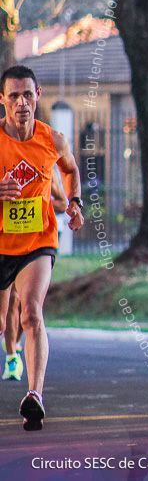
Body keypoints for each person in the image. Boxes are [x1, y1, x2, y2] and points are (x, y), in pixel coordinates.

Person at [0, 65, 85, 430]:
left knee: (31, 313)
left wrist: (76, 202)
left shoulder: (53, 139)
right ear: (2, 99)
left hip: (38, 240)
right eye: (14, 95)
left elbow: (70, 169)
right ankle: (12, 355)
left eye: (28, 94)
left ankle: (34, 395)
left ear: (38, 95)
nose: (22, 102)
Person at [3, 170, 68, 382]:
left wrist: (39, 201)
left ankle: (18, 345)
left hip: (35, 246)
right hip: (6, 242)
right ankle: (12, 356)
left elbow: (63, 203)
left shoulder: (44, 166)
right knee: (12, 301)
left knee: (29, 309)